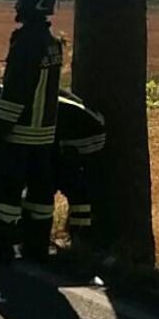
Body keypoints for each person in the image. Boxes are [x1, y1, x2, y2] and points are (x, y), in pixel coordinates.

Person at [0, 0, 63, 261]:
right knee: (41, 195)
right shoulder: (53, 43)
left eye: (19, 1)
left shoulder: (25, 42)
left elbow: (16, 91)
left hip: (19, 132)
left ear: (33, 5)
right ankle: (37, 246)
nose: (15, 7)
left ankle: (2, 245)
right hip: (44, 135)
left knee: (9, 191)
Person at [54, 90, 106, 249]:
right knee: (76, 184)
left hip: (82, 134)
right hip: (89, 127)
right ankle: (79, 234)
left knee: (68, 179)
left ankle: (78, 235)